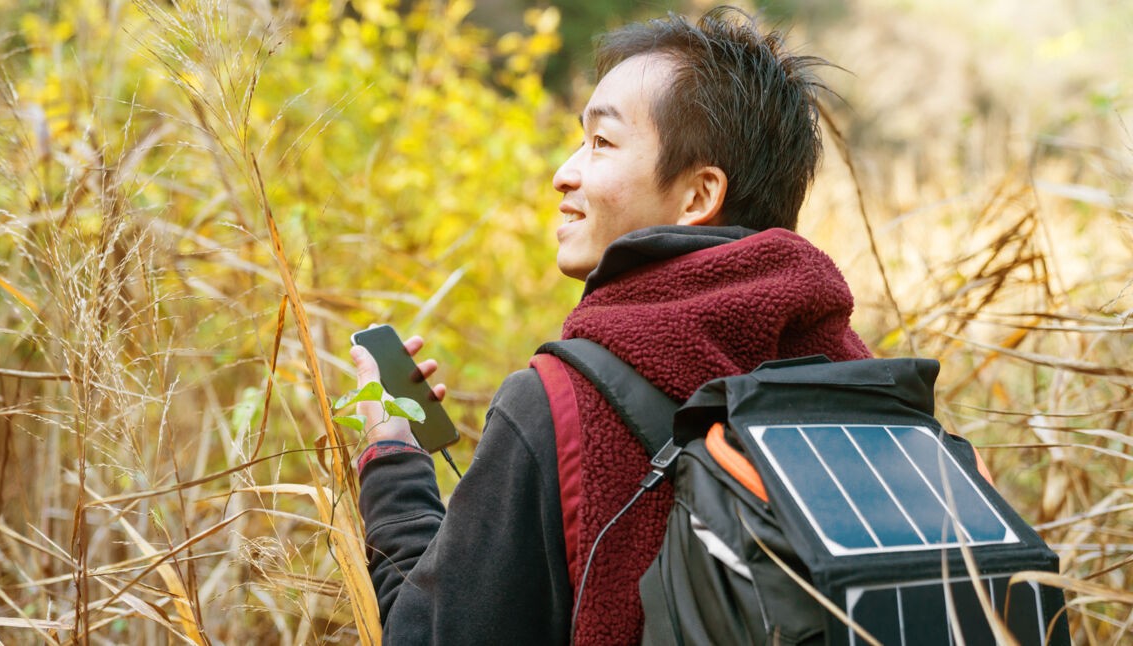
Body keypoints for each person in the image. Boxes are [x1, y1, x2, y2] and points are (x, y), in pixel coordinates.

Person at [350, 6, 871, 644]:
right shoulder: (861, 384)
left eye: (601, 142)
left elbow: (425, 636)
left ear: (698, 196)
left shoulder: (559, 404)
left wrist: (393, 458)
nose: (563, 172)